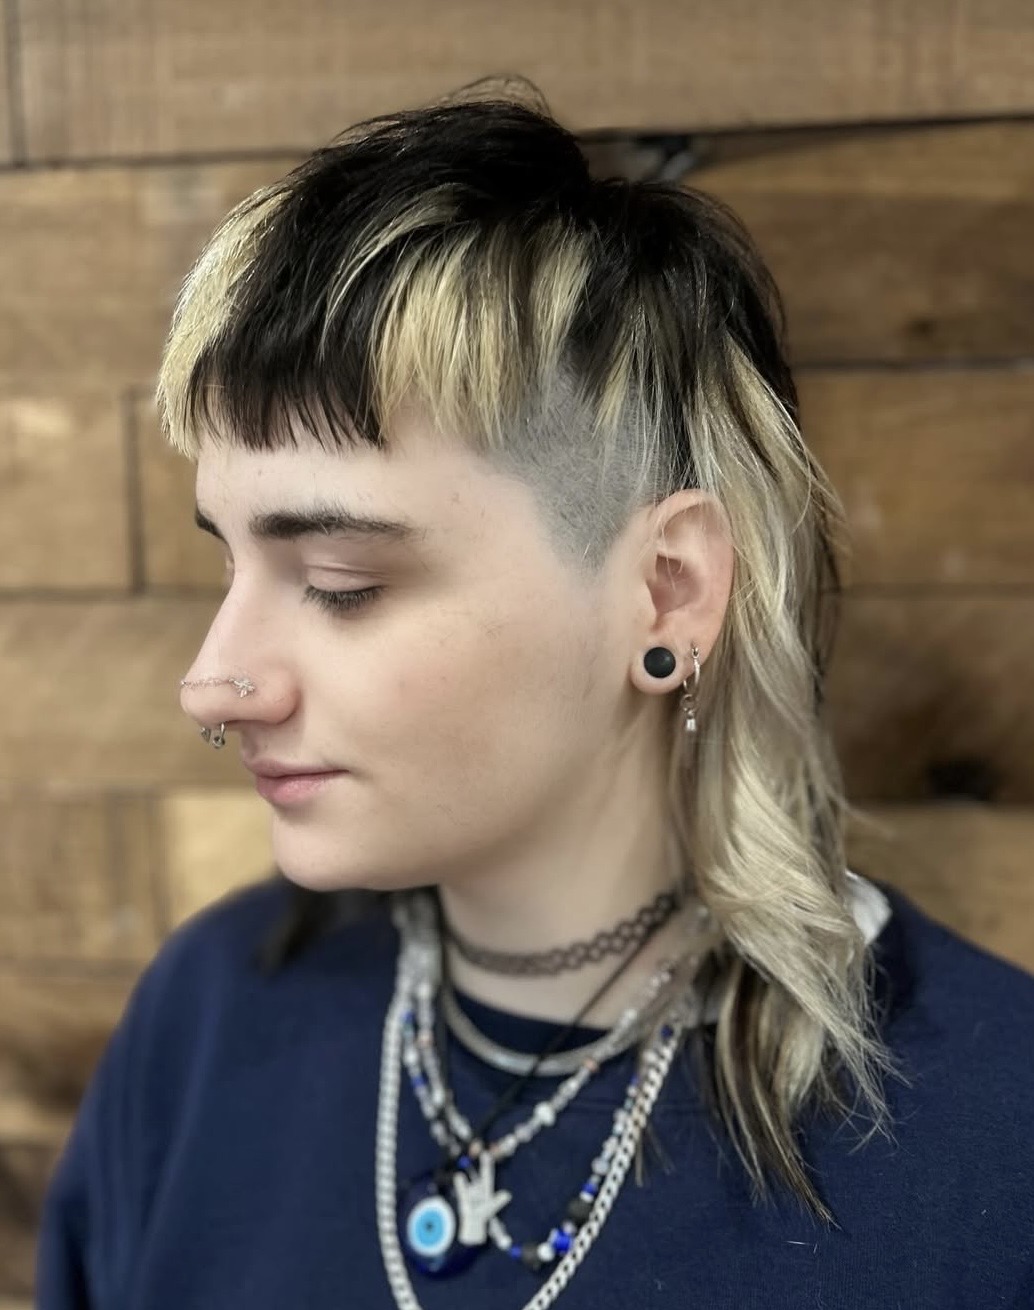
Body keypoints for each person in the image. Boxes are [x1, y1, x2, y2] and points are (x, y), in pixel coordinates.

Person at [35, 76, 1034, 1310]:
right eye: (227, 558)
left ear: (665, 592)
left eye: (340, 581)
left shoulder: (991, 1144)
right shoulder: (207, 1024)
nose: (214, 679)